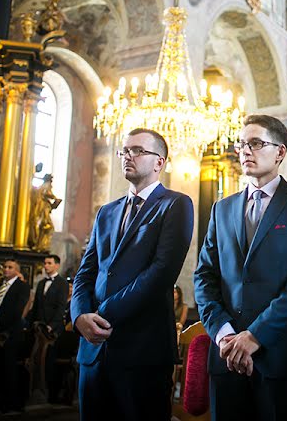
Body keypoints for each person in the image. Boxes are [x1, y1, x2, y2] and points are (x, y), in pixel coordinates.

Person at [195, 114, 287, 421]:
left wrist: (255, 336)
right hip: (227, 354)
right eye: (241, 143)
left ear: (280, 152)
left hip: (281, 355)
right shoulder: (222, 208)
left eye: (255, 143)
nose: (245, 150)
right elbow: (205, 276)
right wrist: (225, 334)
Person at [72, 128, 193, 421]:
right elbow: (86, 272)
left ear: (159, 162)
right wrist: (79, 316)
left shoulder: (176, 204)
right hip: (94, 347)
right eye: (124, 151)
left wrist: (104, 312)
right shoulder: (107, 212)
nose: (128, 156)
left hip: (142, 348)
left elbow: (161, 272)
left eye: (138, 150)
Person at [0, 258, 30, 413]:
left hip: (9, 333)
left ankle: (10, 402)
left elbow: (17, 311)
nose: (6, 270)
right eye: (5, 267)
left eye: (10, 267)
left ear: (17, 270)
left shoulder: (22, 287)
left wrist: (4, 330)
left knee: (8, 367)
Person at [27, 254, 69, 336]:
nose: (46, 266)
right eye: (45, 263)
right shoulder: (41, 283)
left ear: (57, 266)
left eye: (49, 263)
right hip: (38, 325)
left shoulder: (63, 283)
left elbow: (61, 306)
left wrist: (51, 326)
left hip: (53, 328)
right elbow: (36, 305)